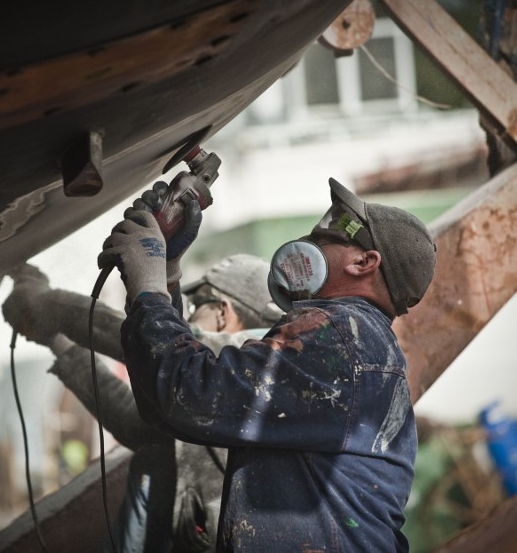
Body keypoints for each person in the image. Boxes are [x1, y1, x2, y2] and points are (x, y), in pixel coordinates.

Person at [98, 177, 436, 551]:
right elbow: (169, 406)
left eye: (330, 235)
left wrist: (150, 286)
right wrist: (167, 273)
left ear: (363, 262)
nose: (313, 241)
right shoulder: (354, 342)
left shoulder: (341, 340)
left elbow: (190, 395)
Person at [1, 253, 281, 552]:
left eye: (197, 306)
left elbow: (149, 342)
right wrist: (58, 341)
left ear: (223, 312)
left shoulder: (252, 362)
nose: (187, 318)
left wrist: (44, 302)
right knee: (153, 458)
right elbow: (134, 424)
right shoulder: (219, 394)